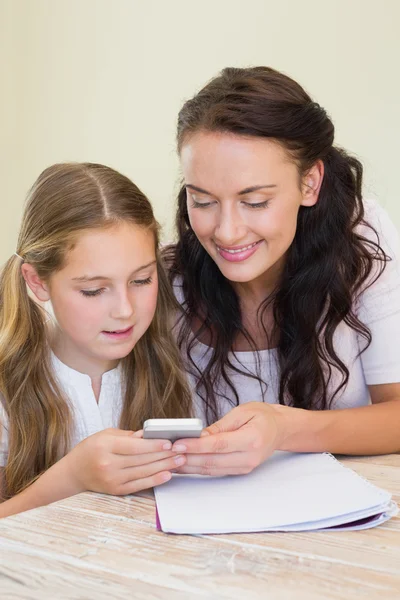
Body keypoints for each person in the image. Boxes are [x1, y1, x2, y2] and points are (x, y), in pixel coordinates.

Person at [165, 66, 400, 476]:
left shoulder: (360, 240)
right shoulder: (168, 277)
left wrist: (284, 429)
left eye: (254, 201)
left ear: (309, 183)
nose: (227, 232)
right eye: (202, 201)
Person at [0, 162, 191, 517]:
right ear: (37, 282)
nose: (124, 310)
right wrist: (73, 476)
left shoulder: (177, 364)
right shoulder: (8, 387)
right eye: (93, 290)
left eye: (141, 280)